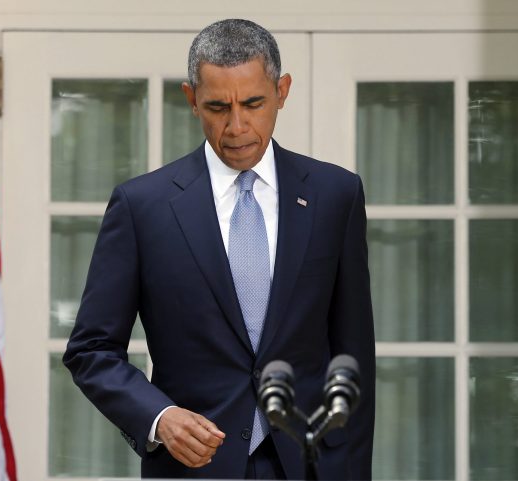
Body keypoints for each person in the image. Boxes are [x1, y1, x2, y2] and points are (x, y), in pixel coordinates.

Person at [63, 18, 375, 480]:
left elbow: (353, 357)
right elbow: (91, 349)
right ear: (192, 99)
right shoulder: (141, 207)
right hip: (193, 468)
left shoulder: (336, 196)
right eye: (217, 107)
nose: (236, 126)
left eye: (253, 103)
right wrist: (159, 418)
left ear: (282, 91)